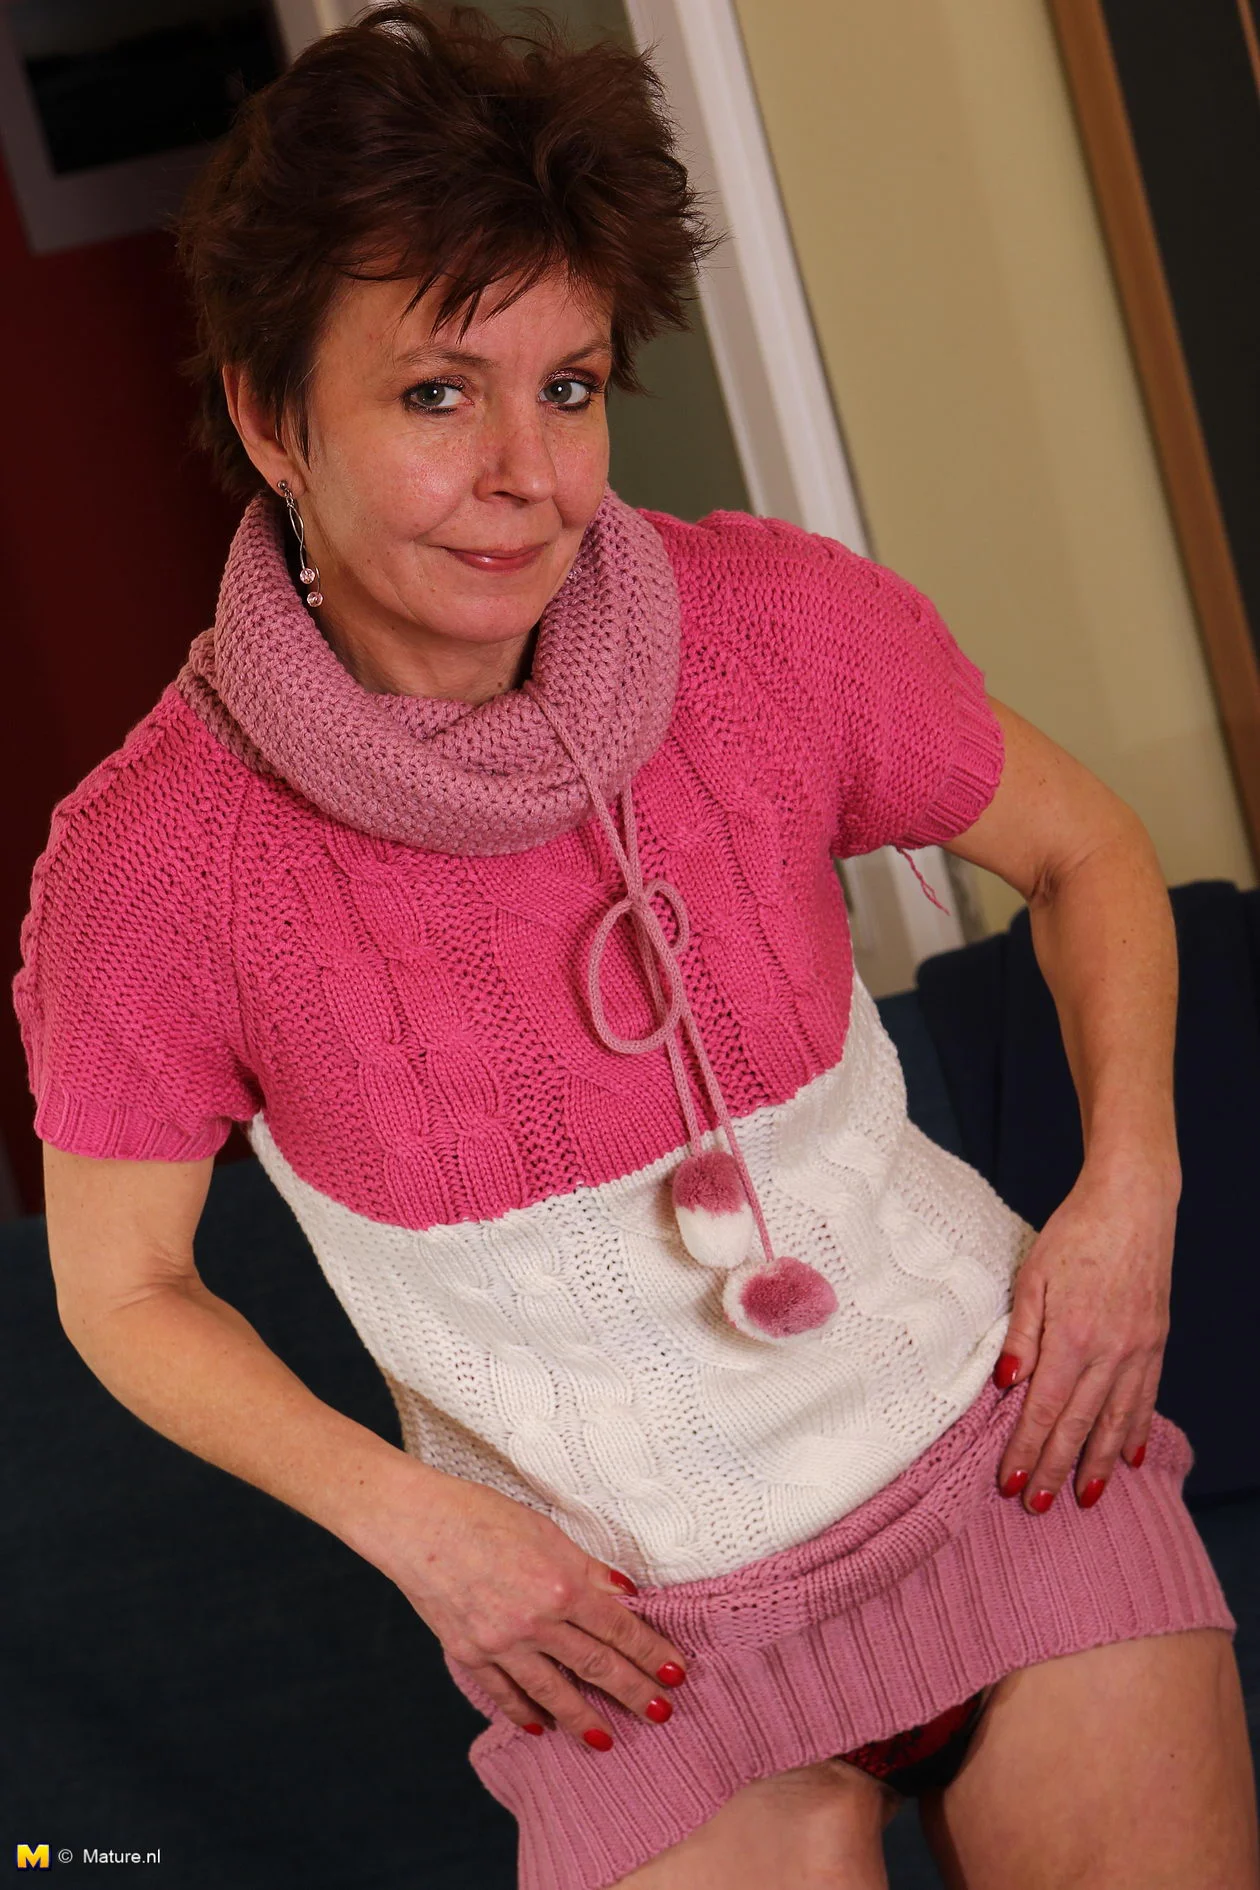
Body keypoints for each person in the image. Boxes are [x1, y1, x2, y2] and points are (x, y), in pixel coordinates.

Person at [12, 7, 1257, 1888]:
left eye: (572, 385)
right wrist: (422, 1527)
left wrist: (1129, 1196)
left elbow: (1089, 849)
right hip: (625, 1640)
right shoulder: (155, 865)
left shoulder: (772, 629)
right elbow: (123, 1289)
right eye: (439, 395)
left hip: (1004, 1459)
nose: (528, 471)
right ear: (273, 419)